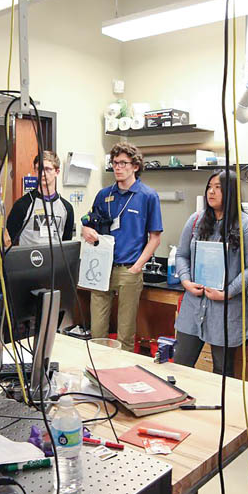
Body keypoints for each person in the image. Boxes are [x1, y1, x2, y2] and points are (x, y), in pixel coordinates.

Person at [174, 170, 248, 376]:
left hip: (225, 308)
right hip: (193, 305)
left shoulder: (247, 226)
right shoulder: (196, 220)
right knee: (180, 365)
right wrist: (186, 281)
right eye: (209, 187)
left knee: (222, 372)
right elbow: (181, 254)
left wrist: (228, 292)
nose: (211, 192)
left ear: (231, 192)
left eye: (218, 188)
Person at [81, 141, 162, 352]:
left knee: (126, 333)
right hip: (101, 268)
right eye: (115, 163)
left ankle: (121, 376)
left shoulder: (148, 196)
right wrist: (85, 230)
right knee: (97, 331)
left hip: (128, 269)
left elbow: (155, 238)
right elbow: (89, 224)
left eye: (123, 163)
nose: (118, 167)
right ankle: (97, 373)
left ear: (135, 166)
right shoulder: (103, 195)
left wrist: (137, 267)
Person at [7, 151, 74, 246]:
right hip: (29, 259)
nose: (43, 173)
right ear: (35, 171)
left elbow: (67, 242)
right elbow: (10, 239)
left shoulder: (67, 208)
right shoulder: (22, 205)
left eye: (48, 169)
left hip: (55, 259)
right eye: (39, 169)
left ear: (57, 172)